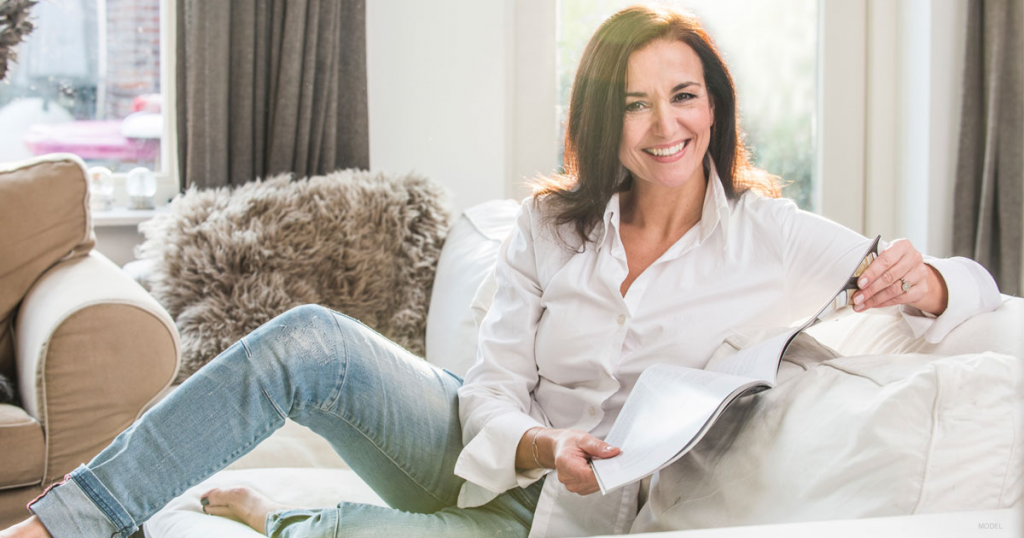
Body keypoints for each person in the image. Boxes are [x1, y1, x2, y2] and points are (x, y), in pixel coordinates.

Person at [1, 5, 1001, 538]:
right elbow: (488, 384)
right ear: (602, 119)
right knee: (307, 339)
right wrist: (532, 441)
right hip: (487, 448)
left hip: (590, 511)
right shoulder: (549, 226)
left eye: (685, 96)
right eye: (638, 103)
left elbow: (970, 301)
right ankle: (67, 524)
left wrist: (930, 280)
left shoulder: (773, 237)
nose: (667, 126)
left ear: (715, 106)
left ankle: (283, 517)